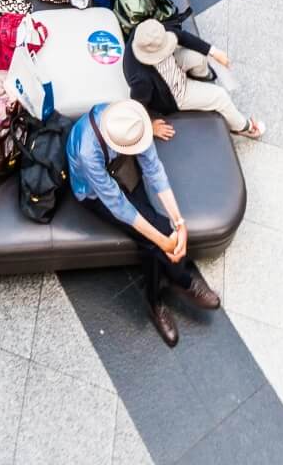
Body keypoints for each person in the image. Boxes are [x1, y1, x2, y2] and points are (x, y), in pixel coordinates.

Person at [67, 98, 220, 346]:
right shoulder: (87, 152)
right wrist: (165, 241)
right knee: (153, 240)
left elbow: (153, 169)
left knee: (156, 235)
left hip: (121, 168)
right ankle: (172, 287)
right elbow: (118, 205)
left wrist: (179, 222)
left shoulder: (129, 119)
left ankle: (163, 293)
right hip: (93, 192)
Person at [127, 20, 264, 140]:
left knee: (199, 57)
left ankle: (201, 79)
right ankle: (242, 127)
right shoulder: (141, 78)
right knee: (220, 96)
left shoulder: (147, 34)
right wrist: (151, 126)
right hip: (174, 93)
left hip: (171, 64)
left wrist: (215, 53)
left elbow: (182, 36)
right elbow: (137, 106)